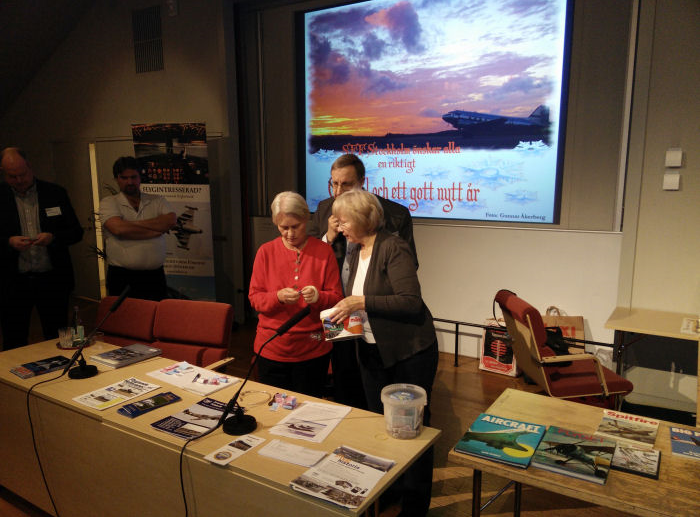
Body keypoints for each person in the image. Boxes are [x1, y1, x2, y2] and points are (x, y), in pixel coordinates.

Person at [329, 189, 438, 517]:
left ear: (363, 219)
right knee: (380, 426)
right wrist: (334, 326)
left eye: (344, 219)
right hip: (372, 351)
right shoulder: (353, 247)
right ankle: (388, 492)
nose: (339, 225)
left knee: (412, 430)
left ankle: (415, 505)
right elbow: (354, 301)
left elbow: (410, 301)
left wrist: (360, 302)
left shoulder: (393, 246)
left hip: (409, 353)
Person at [308, 153, 417, 409]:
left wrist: (367, 299)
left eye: (345, 184)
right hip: (339, 309)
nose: (337, 191)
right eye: (333, 183)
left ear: (362, 182)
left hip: (376, 314)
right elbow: (312, 258)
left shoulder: (394, 215)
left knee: (381, 385)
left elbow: (409, 269)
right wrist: (328, 236)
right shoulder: (325, 209)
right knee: (346, 378)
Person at [249, 191, 343, 398]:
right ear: (276, 223)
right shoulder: (265, 252)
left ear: (306, 220)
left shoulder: (323, 251)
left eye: (295, 227)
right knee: (273, 410)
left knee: (308, 413)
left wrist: (319, 297)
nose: (290, 234)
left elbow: (337, 299)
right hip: (272, 347)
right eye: (284, 228)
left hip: (313, 347)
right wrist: (277, 297)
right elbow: (255, 299)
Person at [0, 147, 84, 350]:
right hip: (13, 282)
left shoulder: (54, 193)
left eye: (22, 174)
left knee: (56, 337)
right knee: (14, 338)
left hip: (52, 279)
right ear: (4, 173)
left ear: (30, 167)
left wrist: (53, 238)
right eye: (13, 176)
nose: (19, 180)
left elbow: (76, 232)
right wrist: (9, 242)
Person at [99, 156, 176, 301]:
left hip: (155, 277)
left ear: (140, 177)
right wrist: (156, 229)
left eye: (134, 177)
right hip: (122, 277)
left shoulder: (157, 200)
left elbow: (170, 221)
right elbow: (118, 229)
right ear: (116, 179)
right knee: (125, 320)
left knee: (155, 320)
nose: (130, 182)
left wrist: (129, 226)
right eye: (124, 178)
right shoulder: (109, 202)